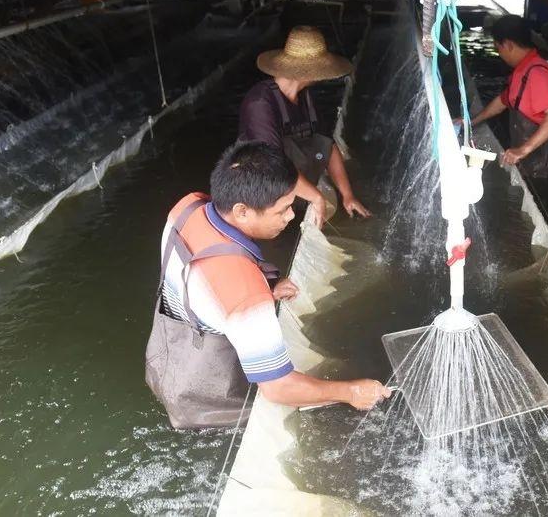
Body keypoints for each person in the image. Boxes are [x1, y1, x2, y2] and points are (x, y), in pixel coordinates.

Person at [145, 141, 390, 429]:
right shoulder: (246, 295)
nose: (290, 216)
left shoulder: (187, 206)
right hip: (206, 399)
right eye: (283, 209)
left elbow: (198, 266)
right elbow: (278, 388)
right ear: (242, 211)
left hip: (166, 354)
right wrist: (351, 391)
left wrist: (266, 280)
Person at [238, 25, 371, 227]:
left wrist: (347, 195)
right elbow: (273, 166)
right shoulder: (260, 103)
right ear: (308, 72)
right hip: (259, 198)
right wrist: (316, 197)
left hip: (292, 190)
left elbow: (328, 146)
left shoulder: (306, 98)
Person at [469, 15, 548, 177]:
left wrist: (522, 151)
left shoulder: (537, 74)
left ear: (508, 45)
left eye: (498, 48)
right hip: (529, 155)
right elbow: (503, 101)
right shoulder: (521, 70)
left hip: (544, 162)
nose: (499, 54)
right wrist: (470, 122)